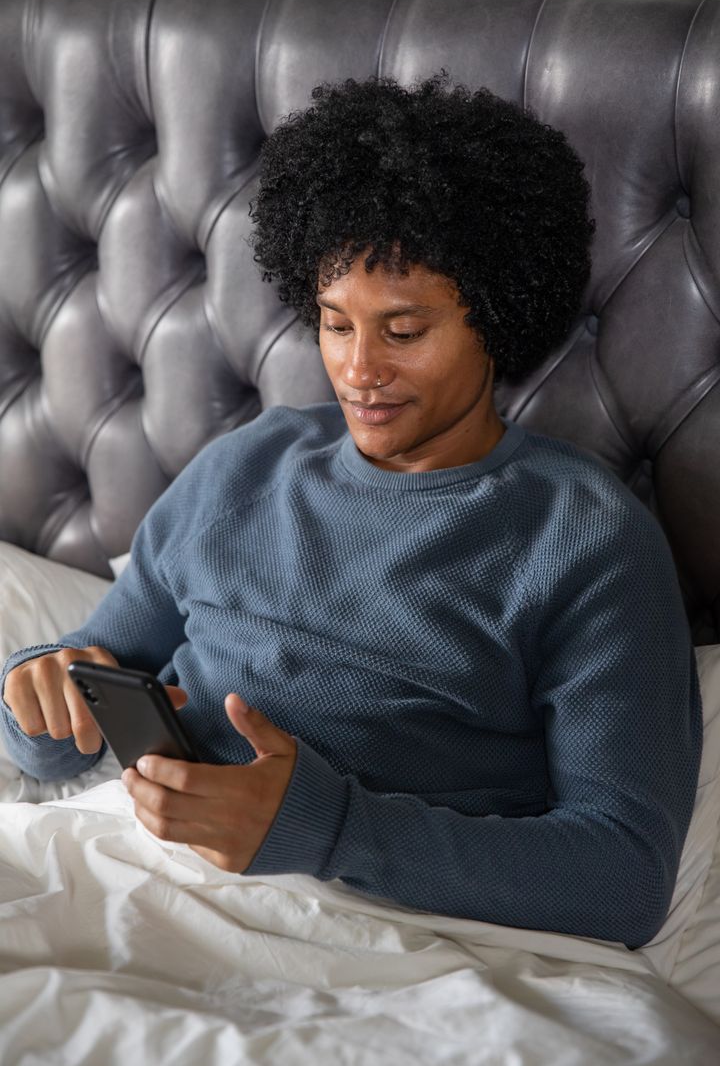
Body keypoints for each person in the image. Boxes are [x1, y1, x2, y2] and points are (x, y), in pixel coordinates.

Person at [0, 75, 702, 949]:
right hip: (136, 872)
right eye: (336, 325)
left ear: (498, 317)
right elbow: (80, 700)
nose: (359, 370)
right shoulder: (245, 467)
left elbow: (623, 876)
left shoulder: (584, 539)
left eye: (404, 332)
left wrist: (329, 827)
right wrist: (36, 694)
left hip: (383, 938)